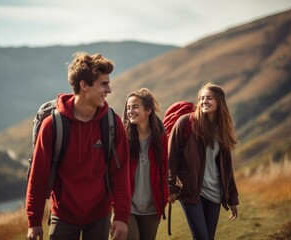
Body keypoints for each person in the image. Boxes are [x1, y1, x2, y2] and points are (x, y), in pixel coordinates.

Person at [26, 52, 131, 240]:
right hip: (63, 216)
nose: (109, 90)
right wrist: (34, 221)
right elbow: (38, 175)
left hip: (100, 216)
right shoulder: (52, 126)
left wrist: (122, 215)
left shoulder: (112, 124)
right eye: (103, 84)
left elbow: (120, 172)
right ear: (84, 85)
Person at [168, 83, 239, 240]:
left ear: (220, 102)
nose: (204, 101)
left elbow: (227, 169)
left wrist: (232, 197)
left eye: (209, 98)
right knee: (202, 237)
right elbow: (171, 157)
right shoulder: (186, 122)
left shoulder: (222, 130)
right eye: (202, 98)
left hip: (214, 192)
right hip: (191, 190)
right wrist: (170, 186)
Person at [122, 88, 169, 240]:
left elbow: (163, 168)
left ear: (148, 110)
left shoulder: (160, 136)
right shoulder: (122, 136)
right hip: (126, 207)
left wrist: (164, 196)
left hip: (152, 208)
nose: (130, 111)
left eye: (135, 107)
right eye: (128, 108)